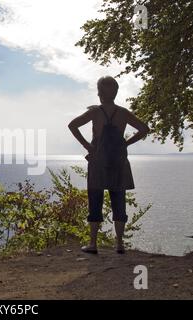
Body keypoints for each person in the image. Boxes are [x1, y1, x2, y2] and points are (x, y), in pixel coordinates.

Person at [68, 76, 149, 254]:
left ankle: (93, 244)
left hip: (98, 161)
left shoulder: (95, 112)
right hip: (119, 161)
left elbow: (72, 125)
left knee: (95, 200)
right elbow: (144, 129)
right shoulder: (123, 113)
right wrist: (126, 143)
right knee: (118, 201)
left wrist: (88, 146)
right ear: (116, 92)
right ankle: (119, 244)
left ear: (99, 92)